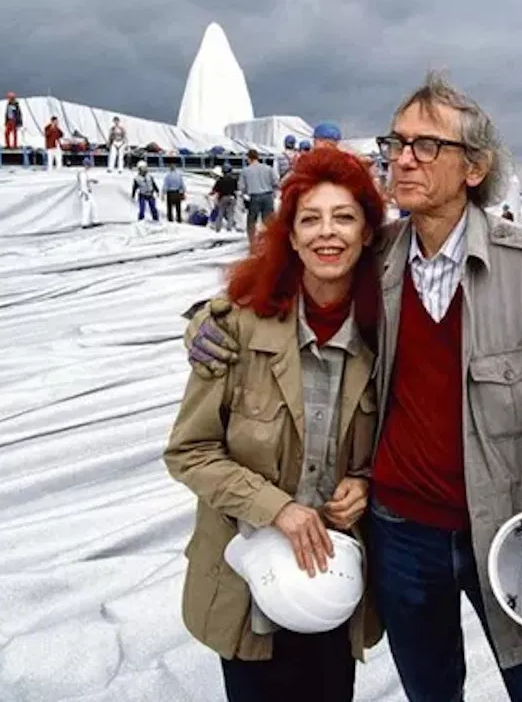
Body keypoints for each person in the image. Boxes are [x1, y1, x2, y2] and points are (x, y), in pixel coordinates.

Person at [183, 70, 522, 702]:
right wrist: (205, 318)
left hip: (507, 531)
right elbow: (286, 283)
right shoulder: (375, 259)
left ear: (475, 168)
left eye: (426, 145)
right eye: (397, 143)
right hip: (402, 535)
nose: (402, 158)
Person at [163, 146, 388, 702]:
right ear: (289, 236)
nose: (326, 233)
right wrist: (277, 509)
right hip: (247, 583)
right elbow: (189, 452)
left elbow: (404, 443)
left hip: (333, 581)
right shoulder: (236, 329)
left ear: (367, 233)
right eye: (309, 219)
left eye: (344, 217)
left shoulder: (388, 339)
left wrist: (365, 483)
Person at [238, 149, 278, 246]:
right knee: (269, 221)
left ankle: (252, 243)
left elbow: (241, 187)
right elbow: (276, 182)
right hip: (268, 196)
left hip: (254, 197)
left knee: (252, 221)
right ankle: (272, 241)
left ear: (249, 158)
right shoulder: (268, 168)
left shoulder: (245, 171)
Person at [210, 164, 239, 232]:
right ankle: (229, 228)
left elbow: (215, 190)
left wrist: (210, 194)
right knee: (231, 214)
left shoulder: (220, 180)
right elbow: (237, 189)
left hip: (223, 198)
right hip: (232, 198)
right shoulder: (234, 180)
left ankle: (218, 228)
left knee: (220, 213)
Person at [131, 160, 160, 225]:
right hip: (142, 195)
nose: (144, 170)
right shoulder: (137, 178)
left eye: (145, 168)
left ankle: (156, 220)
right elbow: (134, 187)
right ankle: (140, 221)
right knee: (142, 209)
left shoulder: (149, 176)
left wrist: (157, 191)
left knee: (153, 208)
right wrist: (133, 195)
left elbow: (153, 184)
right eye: (142, 168)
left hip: (150, 194)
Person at [75, 157, 97, 228]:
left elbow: (86, 181)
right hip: (85, 192)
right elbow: (82, 184)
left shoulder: (84, 172)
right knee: (86, 208)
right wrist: (85, 193)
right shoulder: (82, 173)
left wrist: (92, 180)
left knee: (93, 206)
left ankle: (95, 220)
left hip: (88, 191)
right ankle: (84, 223)